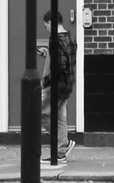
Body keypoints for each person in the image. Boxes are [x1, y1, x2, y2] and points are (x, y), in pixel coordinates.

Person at [40, 10, 75, 160]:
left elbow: (58, 68)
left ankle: (63, 143)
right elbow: (65, 60)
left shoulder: (55, 40)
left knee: (41, 114)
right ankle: (61, 153)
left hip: (56, 85)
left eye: (46, 26)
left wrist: (45, 82)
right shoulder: (69, 37)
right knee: (60, 118)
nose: (46, 29)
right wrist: (48, 54)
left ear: (50, 23)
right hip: (67, 84)